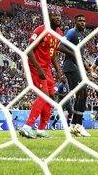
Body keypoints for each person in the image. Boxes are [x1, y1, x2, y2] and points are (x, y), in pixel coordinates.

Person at [19, 11, 73, 139]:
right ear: (49, 18)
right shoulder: (41, 30)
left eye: (59, 16)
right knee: (43, 95)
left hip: (46, 67)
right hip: (34, 66)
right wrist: (38, 68)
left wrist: (58, 70)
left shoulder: (58, 33)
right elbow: (29, 50)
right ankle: (27, 127)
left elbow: (52, 51)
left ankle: (41, 130)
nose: (58, 18)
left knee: (51, 98)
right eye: (55, 16)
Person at [62, 13, 91, 137]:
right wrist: (74, 55)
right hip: (70, 66)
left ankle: (73, 126)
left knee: (81, 93)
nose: (82, 22)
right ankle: (79, 125)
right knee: (83, 92)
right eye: (80, 20)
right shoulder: (71, 33)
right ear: (75, 22)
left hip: (76, 67)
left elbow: (80, 55)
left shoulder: (80, 36)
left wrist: (86, 67)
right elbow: (60, 45)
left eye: (84, 20)